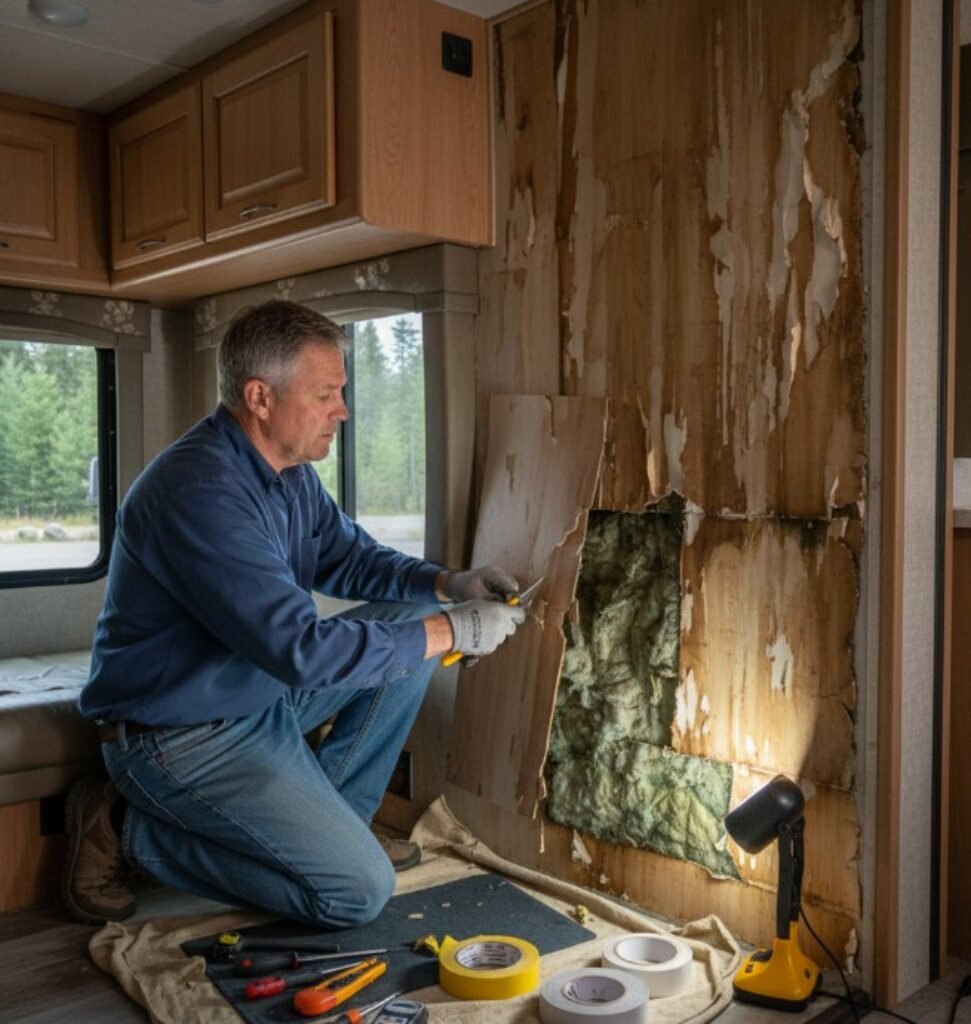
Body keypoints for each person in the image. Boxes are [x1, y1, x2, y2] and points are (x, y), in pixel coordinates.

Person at [63, 299, 525, 928]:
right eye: (326, 394)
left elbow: (349, 558)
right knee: (358, 894)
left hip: (256, 698)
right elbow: (302, 652)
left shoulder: (287, 473)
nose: (343, 410)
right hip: (179, 735)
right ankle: (129, 829)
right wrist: (456, 629)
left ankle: (339, 828)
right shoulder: (200, 492)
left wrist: (449, 583)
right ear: (260, 397)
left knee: (409, 612)